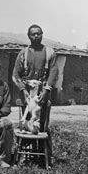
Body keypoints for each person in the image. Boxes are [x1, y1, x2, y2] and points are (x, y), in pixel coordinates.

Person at [12, 24, 58, 166]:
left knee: (42, 124)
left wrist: (46, 91)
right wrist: (23, 90)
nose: (36, 36)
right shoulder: (23, 53)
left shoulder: (50, 52)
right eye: (33, 34)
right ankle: (25, 155)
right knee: (27, 124)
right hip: (27, 95)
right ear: (29, 36)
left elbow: (53, 72)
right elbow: (15, 75)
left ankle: (43, 157)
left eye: (38, 33)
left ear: (42, 34)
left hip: (43, 94)